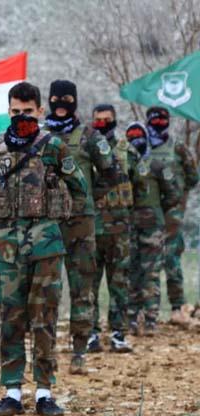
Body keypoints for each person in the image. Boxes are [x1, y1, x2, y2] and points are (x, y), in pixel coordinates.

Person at [0, 82, 88, 416]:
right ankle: (12, 392)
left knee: (44, 318)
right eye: (15, 111)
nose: (21, 117)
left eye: (28, 111)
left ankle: (45, 392)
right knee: (10, 318)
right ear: (8, 111)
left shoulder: (54, 147)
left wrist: (58, 218)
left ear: (40, 111)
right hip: (7, 248)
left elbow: (80, 190)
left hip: (46, 247)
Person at [43, 79, 117, 375]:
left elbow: (111, 172)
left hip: (81, 223)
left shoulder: (89, 136)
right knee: (46, 290)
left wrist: (87, 196)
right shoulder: (40, 137)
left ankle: (79, 351)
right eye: (56, 99)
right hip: (47, 223)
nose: (61, 105)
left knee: (82, 287)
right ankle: (46, 351)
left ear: (74, 102)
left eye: (67, 100)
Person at [145, 107, 199, 329]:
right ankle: (147, 311)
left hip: (172, 213)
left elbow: (193, 177)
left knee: (171, 258)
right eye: (155, 120)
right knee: (146, 260)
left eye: (162, 120)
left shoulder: (178, 148)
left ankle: (177, 307)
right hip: (146, 212)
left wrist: (178, 195)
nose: (159, 123)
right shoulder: (142, 147)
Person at [126, 122, 182, 335]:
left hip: (153, 228)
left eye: (138, 135)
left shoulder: (158, 165)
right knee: (132, 271)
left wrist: (157, 209)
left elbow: (173, 194)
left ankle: (150, 320)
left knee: (151, 273)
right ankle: (132, 318)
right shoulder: (125, 164)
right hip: (130, 226)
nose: (136, 139)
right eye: (131, 136)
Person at [88, 104, 134, 352]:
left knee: (119, 283)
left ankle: (118, 333)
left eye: (107, 119)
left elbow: (139, 185)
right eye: (98, 119)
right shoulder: (85, 148)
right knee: (90, 285)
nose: (102, 123)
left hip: (119, 229)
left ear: (114, 120)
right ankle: (91, 333)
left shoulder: (126, 149)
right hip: (91, 228)